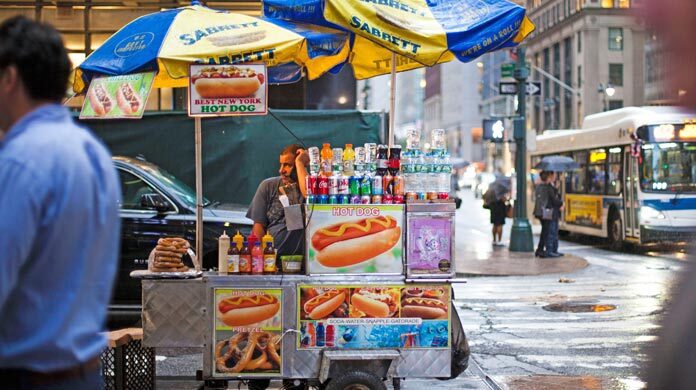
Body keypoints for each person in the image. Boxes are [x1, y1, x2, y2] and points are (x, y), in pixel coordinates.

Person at [0, 16, 121, 389]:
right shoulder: (95, 155)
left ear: (9, 78)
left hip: (27, 378)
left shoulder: (21, 159)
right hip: (83, 375)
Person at [247, 144, 309, 258]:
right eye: (281, 164)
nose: (281, 170)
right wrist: (260, 259)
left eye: (288, 165)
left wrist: (300, 163)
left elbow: (309, 193)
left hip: (303, 264)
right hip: (272, 262)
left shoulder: (311, 189)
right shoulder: (268, 186)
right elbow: (258, 227)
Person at [533, 171, 563, 258]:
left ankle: (540, 250)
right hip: (546, 212)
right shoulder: (548, 187)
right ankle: (546, 251)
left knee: (545, 232)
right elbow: (554, 199)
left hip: (539, 212)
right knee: (548, 232)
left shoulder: (539, 186)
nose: (555, 177)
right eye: (553, 175)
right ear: (549, 177)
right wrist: (561, 203)